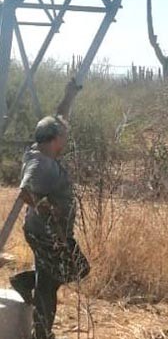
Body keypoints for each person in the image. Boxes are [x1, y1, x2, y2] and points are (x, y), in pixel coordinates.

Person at [10, 80, 90, 339]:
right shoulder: (41, 164)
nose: (66, 139)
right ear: (55, 140)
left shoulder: (38, 149)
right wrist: (47, 210)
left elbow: (58, 118)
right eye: (64, 136)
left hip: (50, 233)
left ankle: (25, 281)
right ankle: (41, 335)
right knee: (48, 286)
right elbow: (25, 191)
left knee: (74, 269)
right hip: (46, 235)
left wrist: (69, 95)